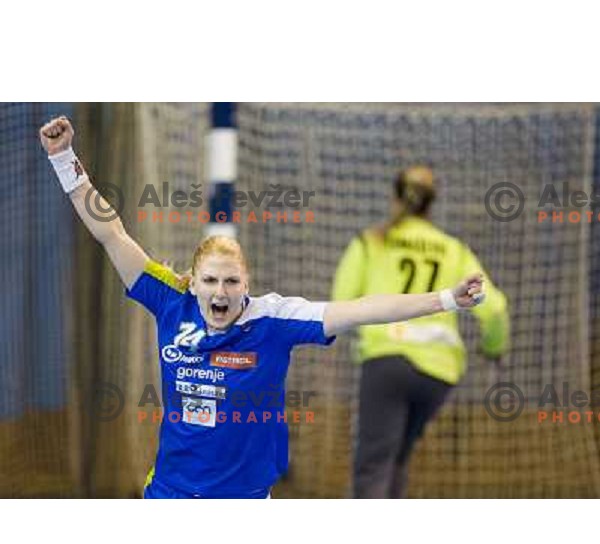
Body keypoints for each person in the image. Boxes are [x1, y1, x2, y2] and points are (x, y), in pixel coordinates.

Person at [40, 117, 487, 499]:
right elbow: (112, 235)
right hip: (171, 494)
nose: (220, 291)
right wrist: (65, 161)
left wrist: (446, 299)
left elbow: (363, 309)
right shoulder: (170, 302)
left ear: (246, 285)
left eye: (231, 281)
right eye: (210, 281)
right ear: (194, 282)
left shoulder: (275, 320)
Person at [332, 165, 510, 499]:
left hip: (386, 364)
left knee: (373, 464)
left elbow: (340, 305)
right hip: (438, 374)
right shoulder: (454, 250)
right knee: (396, 457)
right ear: (432, 203)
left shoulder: (371, 243)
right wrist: (494, 347)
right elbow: (495, 308)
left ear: (394, 198)